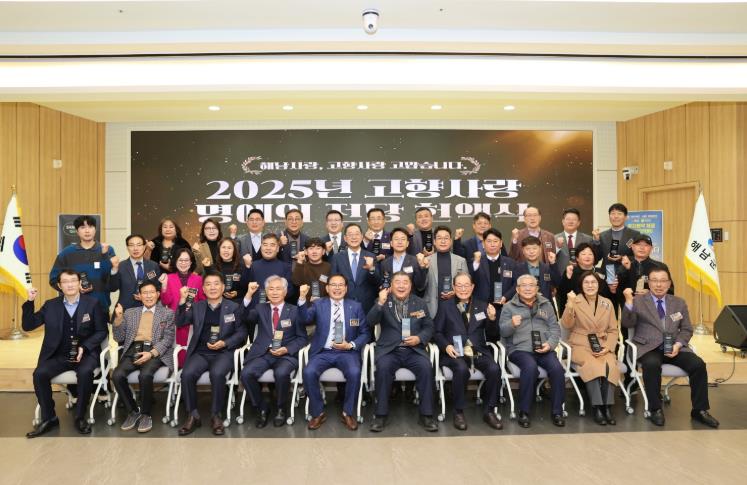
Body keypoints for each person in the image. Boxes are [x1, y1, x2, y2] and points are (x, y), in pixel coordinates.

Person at [621, 268, 719, 428]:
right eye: (654, 280)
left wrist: (678, 345)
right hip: (648, 347)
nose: (658, 284)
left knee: (698, 365)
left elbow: (686, 329)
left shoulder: (679, 302)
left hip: (674, 346)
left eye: (663, 281)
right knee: (651, 364)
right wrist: (629, 302)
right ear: (649, 283)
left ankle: (699, 410)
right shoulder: (638, 301)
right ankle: (655, 409)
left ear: (669, 283)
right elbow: (627, 323)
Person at [23, 270, 108, 437]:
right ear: (59, 286)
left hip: (85, 354)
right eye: (65, 282)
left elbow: (101, 331)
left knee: (85, 372)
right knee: (39, 374)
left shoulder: (92, 303)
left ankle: (80, 417)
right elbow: (28, 325)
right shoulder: (50, 305)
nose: (70, 285)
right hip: (59, 355)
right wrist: (30, 301)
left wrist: (85, 347)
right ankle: (49, 418)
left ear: (79, 283)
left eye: (73, 281)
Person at [176, 270, 248, 436]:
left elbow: (242, 332)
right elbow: (180, 321)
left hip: (223, 352)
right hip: (201, 352)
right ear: (203, 289)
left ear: (223, 287)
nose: (212, 287)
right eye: (208, 284)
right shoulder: (197, 306)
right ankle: (193, 415)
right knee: (186, 374)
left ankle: (216, 415)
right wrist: (182, 300)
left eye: (216, 284)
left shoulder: (234, 307)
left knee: (217, 374)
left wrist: (225, 343)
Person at [367, 272, 437, 432]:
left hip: (414, 350)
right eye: (397, 282)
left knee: (426, 368)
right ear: (391, 286)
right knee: (383, 369)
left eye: (405, 282)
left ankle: (426, 415)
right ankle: (380, 415)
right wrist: (380, 303)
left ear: (410, 286)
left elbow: (429, 326)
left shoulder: (419, 303)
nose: (401, 285)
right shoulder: (383, 301)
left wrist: (419, 338)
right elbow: (370, 321)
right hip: (390, 350)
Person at [297, 274, 370, 430]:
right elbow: (304, 319)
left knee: (355, 372)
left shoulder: (355, 306)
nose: (337, 288)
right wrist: (302, 298)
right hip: (323, 352)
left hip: (347, 352)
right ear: (327, 288)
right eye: (334, 285)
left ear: (346, 288)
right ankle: (318, 413)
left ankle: (347, 413)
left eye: (340, 285)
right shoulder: (319, 304)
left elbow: (365, 333)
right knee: (308, 372)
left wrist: (350, 345)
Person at [433, 272, 503, 430]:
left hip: (478, 351)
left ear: (472, 287)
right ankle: (458, 412)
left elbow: (493, 335)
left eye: (466, 285)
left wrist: (492, 319)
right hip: (454, 352)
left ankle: (489, 411)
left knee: (494, 369)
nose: (463, 289)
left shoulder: (482, 305)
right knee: (461, 369)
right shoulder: (445, 306)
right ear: (453, 287)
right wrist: (446, 346)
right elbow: (436, 332)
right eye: (459, 285)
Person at [499, 274, 566, 428]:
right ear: (517, 289)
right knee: (530, 367)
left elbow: (555, 329)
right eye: (524, 285)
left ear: (537, 288)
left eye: (531, 285)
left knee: (557, 369)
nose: (528, 288)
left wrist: (550, 344)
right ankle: (524, 411)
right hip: (519, 349)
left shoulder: (546, 304)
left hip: (543, 348)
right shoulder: (508, 307)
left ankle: (557, 412)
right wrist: (511, 324)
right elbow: (502, 332)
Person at [241, 276, 308, 428]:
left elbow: (302, 338)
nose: (275, 292)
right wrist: (249, 295)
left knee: (281, 373)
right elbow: (244, 317)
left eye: (278, 289)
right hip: (263, 353)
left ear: (285, 291)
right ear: (266, 292)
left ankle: (281, 409)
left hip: (286, 355)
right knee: (246, 374)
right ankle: (262, 408)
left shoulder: (295, 311)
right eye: (271, 289)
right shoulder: (260, 308)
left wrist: (287, 349)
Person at [111, 280, 175, 433]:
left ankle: (146, 414)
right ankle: (133, 411)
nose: (148, 296)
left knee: (145, 375)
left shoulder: (167, 313)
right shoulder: (130, 313)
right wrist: (118, 319)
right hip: (133, 349)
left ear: (158, 294)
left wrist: (151, 353)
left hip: (155, 351)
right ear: (139, 296)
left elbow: (168, 339)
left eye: (151, 292)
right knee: (117, 375)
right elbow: (119, 337)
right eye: (144, 293)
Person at [560, 272, 620, 426]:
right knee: (593, 365)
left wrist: (608, 347)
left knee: (610, 366)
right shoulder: (575, 300)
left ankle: (607, 407)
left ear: (599, 285)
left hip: (602, 343)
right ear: (581, 285)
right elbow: (566, 324)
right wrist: (570, 304)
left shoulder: (607, 303)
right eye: (586, 282)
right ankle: (597, 407)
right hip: (580, 344)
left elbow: (613, 330)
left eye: (593, 282)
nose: (590, 285)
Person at [49, 215, 117, 314]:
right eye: (83, 227)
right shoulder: (66, 253)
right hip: (73, 308)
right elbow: (54, 279)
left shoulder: (107, 250)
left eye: (90, 227)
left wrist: (106, 257)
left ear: (95, 229)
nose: (87, 231)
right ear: (77, 231)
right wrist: (73, 288)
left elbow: (112, 280)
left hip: (100, 307)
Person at [159, 247, 205, 367]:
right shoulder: (169, 278)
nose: (183, 263)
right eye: (180, 260)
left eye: (186, 260)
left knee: (191, 353)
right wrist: (164, 286)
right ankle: (177, 372)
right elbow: (165, 302)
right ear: (175, 261)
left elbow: (202, 301)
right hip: (175, 321)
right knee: (177, 354)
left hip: (193, 322)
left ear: (191, 262)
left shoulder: (198, 279)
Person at [469, 228, 515, 341]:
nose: (492, 244)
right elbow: (470, 280)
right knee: (480, 339)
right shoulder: (476, 261)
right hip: (481, 307)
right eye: (489, 241)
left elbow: (516, 284)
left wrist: (506, 297)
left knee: (502, 339)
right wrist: (476, 263)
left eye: (495, 241)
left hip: (503, 308)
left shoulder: (510, 263)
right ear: (483, 244)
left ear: (501, 243)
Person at [330, 223, 380, 314]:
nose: (354, 237)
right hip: (343, 304)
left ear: (362, 236)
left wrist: (371, 268)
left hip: (366, 306)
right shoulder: (337, 258)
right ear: (345, 238)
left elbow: (377, 282)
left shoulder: (371, 256)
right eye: (350, 234)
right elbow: (333, 282)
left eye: (357, 234)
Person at [556, 242, 614, 318]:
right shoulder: (571, 271)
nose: (587, 256)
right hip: (576, 314)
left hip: (598, 314)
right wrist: (567, 278)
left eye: (590, 254)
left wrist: (612, 288)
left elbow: (607, 296)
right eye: (583, 254)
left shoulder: (601, 273)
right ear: (577, 258)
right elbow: (562, 293)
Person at [423, 226, 468, 318]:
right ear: (434, 241)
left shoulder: (461, 261)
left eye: (446, 238)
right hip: (432, 309)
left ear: (451, 241)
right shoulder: (426, 261)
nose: (443, 241)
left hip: (455, 308)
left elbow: (466, 286)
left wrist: (455, 292)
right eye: (439, 238)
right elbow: (420, 286)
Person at [109, 233, 160, 312]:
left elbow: (158, 287)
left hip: (149, 310)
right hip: (125, 310)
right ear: (127, 248)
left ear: (144, 247)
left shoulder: (153, 265)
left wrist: (147, 296)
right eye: (131, 245)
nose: (135, 248)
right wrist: (114, 270)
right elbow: (112, 288)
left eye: (139, 245)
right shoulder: (121, 266)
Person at [591, 202, 642, 277]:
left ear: (625, 217)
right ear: (609, 217)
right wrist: (596, 241)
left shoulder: (634, 235)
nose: (616, 216)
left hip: (627, 275)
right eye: (613, 213)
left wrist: (621, 258)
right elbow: (596, 258)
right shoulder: (602, 236)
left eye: (619, 213)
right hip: (607, 276)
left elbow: (639, 257)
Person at [245, 233, 294, 309]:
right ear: (261, 247)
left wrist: (274, 298)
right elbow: (244, 286)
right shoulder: (253, 265)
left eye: (272, 245)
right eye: (265, 245)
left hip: (277, 309)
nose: (268, 248)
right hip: (255, 309)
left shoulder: (285, 267)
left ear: (277, 248)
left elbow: (290, 290)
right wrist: (247, 267)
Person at [509, 236, 561, 303]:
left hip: (545, 305)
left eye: (534, 248)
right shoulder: (517, 269)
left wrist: (553, 263)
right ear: (523, 251)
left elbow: (557, 283)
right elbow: (513, 289)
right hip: (523, 305)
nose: (531, 251)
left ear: (540, 249)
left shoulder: (547, 268)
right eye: (528, 249)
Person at [379, 227, 427, 294]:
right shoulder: (384, 263)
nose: (400, 242)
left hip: (410, 299)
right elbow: (383, 283)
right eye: (396, 239)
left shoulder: (415, 261)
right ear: (391, 243)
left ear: (407, 243)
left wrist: (422, 267)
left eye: (403, 239)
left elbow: (420, 286)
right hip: (390, 298)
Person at [211, 238, 248, 305]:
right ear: (219, 250)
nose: (226, 250)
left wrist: (237, 293)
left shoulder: (242, 267)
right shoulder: (213, 268)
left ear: (234, 251)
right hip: (217, 304)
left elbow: (246, 288)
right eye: (223, 247)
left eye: (229, 248)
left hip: (237, 304)